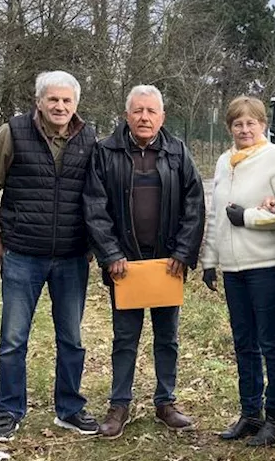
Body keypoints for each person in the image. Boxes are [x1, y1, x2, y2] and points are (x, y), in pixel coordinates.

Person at [0, 70, 100, 442]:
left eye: (66, 101)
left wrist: (94, 244)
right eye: (53, 100)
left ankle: (70, 409)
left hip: (72, 256)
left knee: (72, 339)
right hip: (22, 255)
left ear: (75, 104)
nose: (59, 106)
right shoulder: (12, 132)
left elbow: (99, 196)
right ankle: (9, 410)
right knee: (13, 339)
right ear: (39, 102)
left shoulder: (89, 138)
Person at [83, 84, 205, 439]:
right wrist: (110, 254)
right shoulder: (105, 152)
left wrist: (183, 253)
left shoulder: (178, 152)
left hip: (167, 265)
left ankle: (165, 402)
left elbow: (194, 205)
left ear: (162, 117)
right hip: (126, 266)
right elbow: (94, 207)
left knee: (167, 338)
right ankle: (119, 404)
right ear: (126, 116)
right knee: (125, 337)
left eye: (151, 111)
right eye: (138, 111)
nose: (144, 117)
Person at [201, 96, 275, 446]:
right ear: (230, 128)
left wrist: (250, 218)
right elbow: (216, 215)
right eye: (237, 124)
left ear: (263, 125)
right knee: (243, 343)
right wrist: (210, 260)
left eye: (250, 123)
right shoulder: (225, 161)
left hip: (267, 266)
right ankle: (250, 412)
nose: (244, 130)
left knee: (270, 343)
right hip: (233, 268)